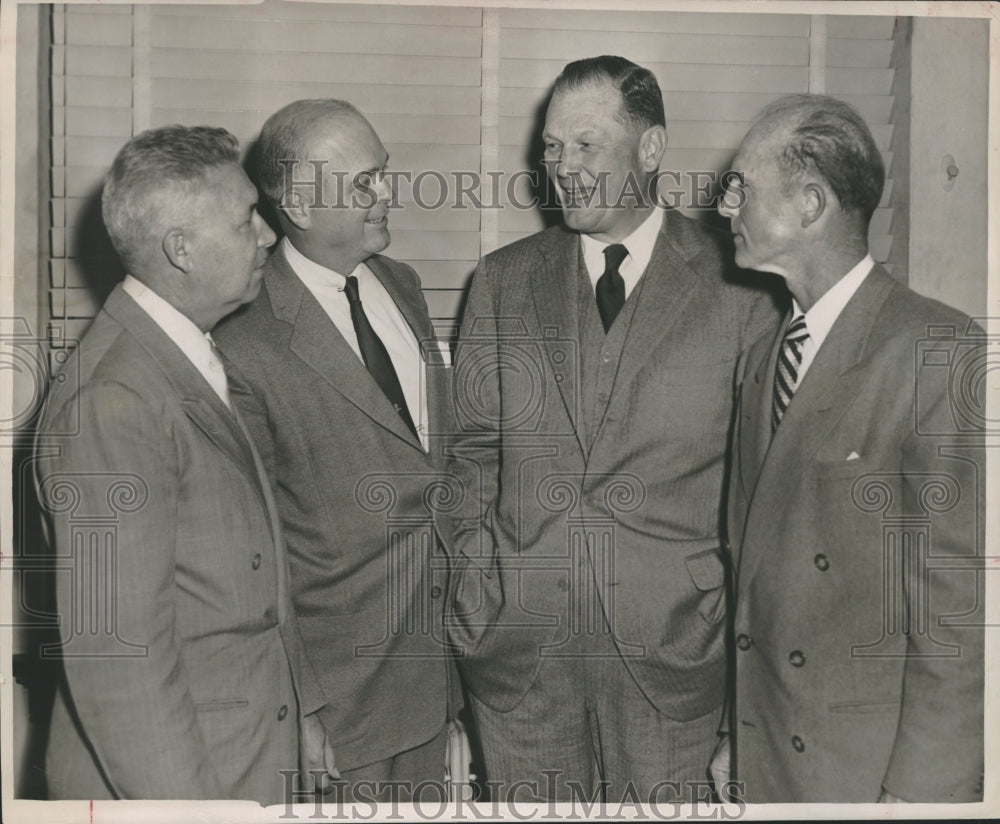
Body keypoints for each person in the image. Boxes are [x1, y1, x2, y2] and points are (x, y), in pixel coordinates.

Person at [443, 55, 781, 801]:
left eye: (586, 145)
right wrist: (478, 602)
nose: (562, 165)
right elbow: (470, 456)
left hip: (680, 660)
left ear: (651, 149)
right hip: (519, 662)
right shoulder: (502, 281)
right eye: (553, 147)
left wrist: (730, 643)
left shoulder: (743, 288)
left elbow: (764, 490)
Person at [34, 125, 334, 802]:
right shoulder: (116, 403)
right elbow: (121, 668)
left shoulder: (181, 353)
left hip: (244, 759)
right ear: (181, 250)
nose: (267, 236)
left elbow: (239, 583)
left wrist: (298, 720)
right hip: (185, 785)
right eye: (245, 220)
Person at [711, 93, 984, 803]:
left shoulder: (936, 349)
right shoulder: (763, 357)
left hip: (864, 774)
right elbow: (750, 573)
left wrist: (923, 795)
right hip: (766, 750)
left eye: (742, 186)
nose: (724, 206)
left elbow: (954, 609)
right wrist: (733, 738)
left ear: (809, 204)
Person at [213, 99, 458, 801]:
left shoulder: (401, 284)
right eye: (363, 184)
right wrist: (301, 704)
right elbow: (250, 549)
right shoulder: (242, 336)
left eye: (385, 174)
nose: (388, 194)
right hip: (335, 703)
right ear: (296, 202)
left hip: (429, 677)